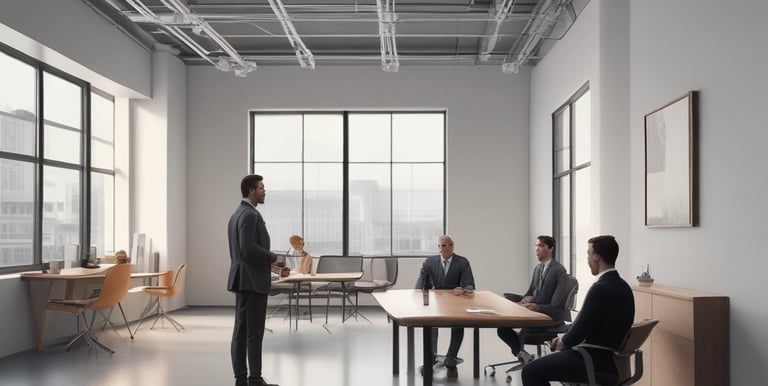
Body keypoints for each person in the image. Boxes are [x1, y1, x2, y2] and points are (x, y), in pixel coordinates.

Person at [522, 235, 635, 386]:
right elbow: (586, 324)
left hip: (591, 360)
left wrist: (561, 342)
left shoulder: (599, 289)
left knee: (530, 371)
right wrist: (564, 337)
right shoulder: (624, 287)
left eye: (588, 253)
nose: (587, 259)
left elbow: (579, 332)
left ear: (596, 256)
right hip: (609, 359)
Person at [227, 174, 279, 386]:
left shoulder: (236, 214)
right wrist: (271, 257)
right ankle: (254, 379)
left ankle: (242, 379)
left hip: (242, 279)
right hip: (252, 281)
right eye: (261, 188)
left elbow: (242, 250)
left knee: (240, 331)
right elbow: (248, 249)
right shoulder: (250, 215)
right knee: (254, 333)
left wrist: (272, 263)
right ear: (250, 191)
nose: (264, 191)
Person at [497, 235, 570, 366]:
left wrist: (537, 307)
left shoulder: (559, 270)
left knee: (522, 332)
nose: (537, 249)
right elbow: (530, 292)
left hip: (548, 319)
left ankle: (526, 360)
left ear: (551, 248)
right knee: (502, 328)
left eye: (541, 246)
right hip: (533, 315)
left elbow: (557, 305)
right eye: (536, 245)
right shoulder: (538, 268)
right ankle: (524, 355)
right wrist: (524, 300)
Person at [415, 235, 476, 379]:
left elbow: (469, 284)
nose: (441, 249)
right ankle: (430, 358)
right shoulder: (430, 262)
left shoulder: (462, 262)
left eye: (444, 246)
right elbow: (421, 283)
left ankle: (451, 360)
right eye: (439, 246)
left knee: (458, 326)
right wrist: (420, 290)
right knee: (429, 326)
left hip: (456, 302)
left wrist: (463, 288)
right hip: (436, 301)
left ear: (452, 246)